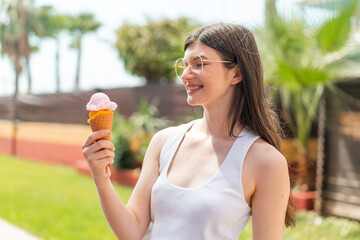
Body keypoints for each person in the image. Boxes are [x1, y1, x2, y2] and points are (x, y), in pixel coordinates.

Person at [82, 23, 296, 240]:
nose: (185, 75)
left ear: (236, 74)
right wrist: (101, 177)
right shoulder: (163, 142)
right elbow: (132, 231)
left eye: (199, 64)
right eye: (184, 65)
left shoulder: (266, 162)